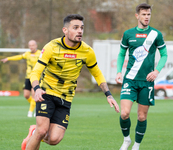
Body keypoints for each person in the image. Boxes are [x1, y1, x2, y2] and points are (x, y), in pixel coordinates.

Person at [21, 14, 120, 150]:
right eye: (75, 27)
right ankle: (36, 132)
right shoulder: (52, 46)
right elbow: (36, 72)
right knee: (42, 131)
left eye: (81, 28)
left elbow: (97, 73)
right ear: (65, 30)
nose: (80, 31)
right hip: (46, 93)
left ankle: (33, 132)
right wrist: (37, 88)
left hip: (65, 98)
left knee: (54, 139)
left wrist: (108, 94)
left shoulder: (87, 51)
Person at [115, 3, 168, 150]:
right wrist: (119, 71)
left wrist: (157, 71)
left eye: (149, 14)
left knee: (142, 117)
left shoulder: (156, 34)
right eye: (144, 14)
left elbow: (164, 55)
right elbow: (121, 54)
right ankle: (126, 140)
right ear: (137, 15)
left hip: (146, 82)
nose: (146, 17)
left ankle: (136, 145)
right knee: (124, 113)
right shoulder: (128, 34)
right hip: (130, 80)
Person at [1, 40, 41, 117]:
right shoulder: (27, 54)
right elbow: (19, 57)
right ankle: (34, 105)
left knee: (34, 94)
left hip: (36, 77)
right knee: (26, 95)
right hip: (28, 77)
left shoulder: (40, 54)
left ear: (36, 45)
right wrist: (8, 58)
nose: (31, 47)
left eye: (32, 45)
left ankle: (30, 112)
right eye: (30, 45)